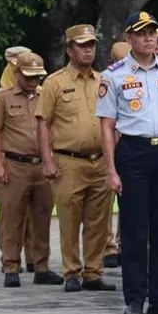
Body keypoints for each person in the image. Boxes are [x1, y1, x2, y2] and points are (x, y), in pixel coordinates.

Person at [98, 12, 158, 314]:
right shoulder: (114, 75)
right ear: (129, 38)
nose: (149, 38)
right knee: (135, 229)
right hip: (133, 151)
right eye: (142, 33)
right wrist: (111, 169)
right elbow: (107, 125)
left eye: (153, 32)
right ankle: (135, 298)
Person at [38, 24, 115, 294]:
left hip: (100, 159)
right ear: (70, 50)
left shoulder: (104, 80)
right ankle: (72, 271)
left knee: (99, 220)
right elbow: (43, 123)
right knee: (69, 219)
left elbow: (113, 120)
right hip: (68, 161)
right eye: (82, 46)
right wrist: (47, 160)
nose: (88, 50)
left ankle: (93, 271)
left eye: (91, 45)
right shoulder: (55, 82)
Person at [0, 51, 62, 287]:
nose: (33, 81)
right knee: (13, 218)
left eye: (37, 76)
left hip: (42, 166)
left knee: (42, 218)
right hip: (15, 165)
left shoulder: (45, 95)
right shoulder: (2, 97)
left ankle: (41, 266)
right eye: (28, 76)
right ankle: (11, 266)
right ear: (16, 73)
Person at [102, 40, 131, 269]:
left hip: (129, 150)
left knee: (129, 205)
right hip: (103, 151)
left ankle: (121, 244)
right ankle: (107, 245)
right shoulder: (107, 79)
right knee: (103, 205)